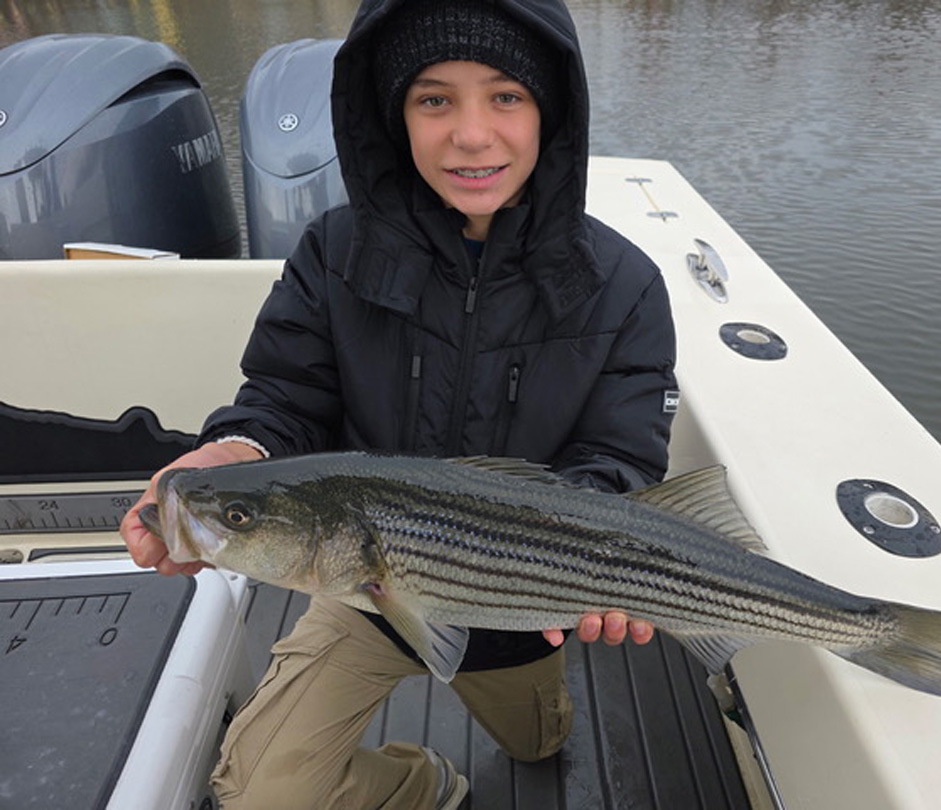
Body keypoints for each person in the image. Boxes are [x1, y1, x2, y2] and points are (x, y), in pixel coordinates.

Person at [121, 0, 677, 807]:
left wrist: (595, 562)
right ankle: (426, 784)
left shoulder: (624, 286)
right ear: (394, 114)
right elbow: (285, 398)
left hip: (524, 609)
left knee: (539, 744)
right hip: (365, 594)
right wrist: (235, 451)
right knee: (259, 793)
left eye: (507, 95)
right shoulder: (333, 252)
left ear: (551, 111)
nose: (472, 134)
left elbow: (619, 458)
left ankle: (536, 709)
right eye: (434, 99)